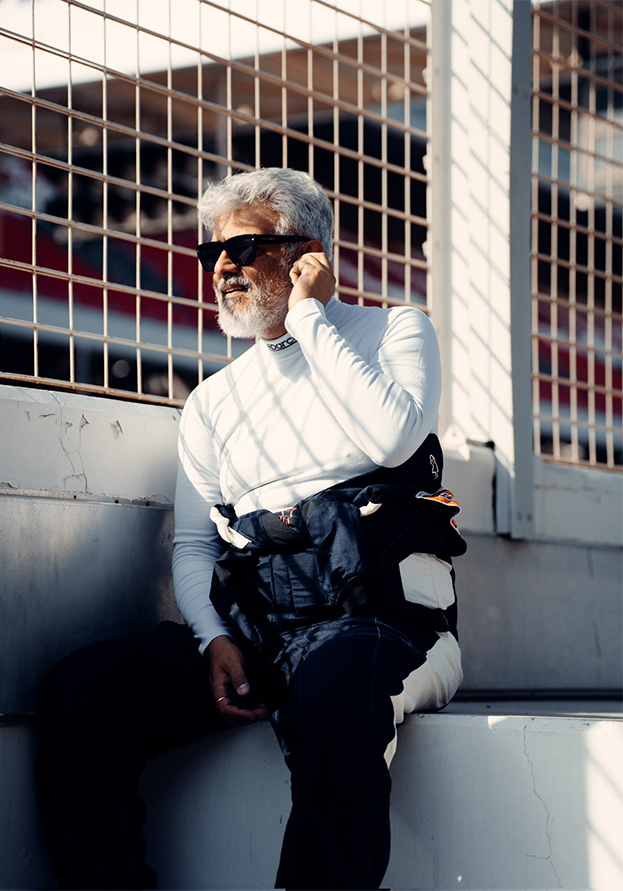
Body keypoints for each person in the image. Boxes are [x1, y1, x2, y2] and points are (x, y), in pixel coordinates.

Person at [36, 167, 465, 891]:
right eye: (212, 255)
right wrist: (214, 638)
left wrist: (308, 317)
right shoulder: (210, 403)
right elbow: (196, 543)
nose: (223, 268)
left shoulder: (395, 330)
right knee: (82, 693)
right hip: (259, 631)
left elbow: (394, 436)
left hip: (383, 626)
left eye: (244, 249)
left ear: (308, 253)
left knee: (334, 703)